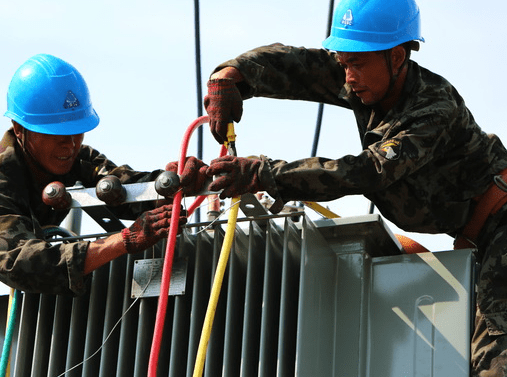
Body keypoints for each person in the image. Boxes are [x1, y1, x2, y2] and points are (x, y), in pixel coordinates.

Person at [193, 0, 507, 375]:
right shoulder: (364, 79)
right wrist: (231, 75)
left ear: (396, 57)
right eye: (343, 63)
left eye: (356, 64)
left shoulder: (433, 108)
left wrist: (265, 173)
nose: (348, 76)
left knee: (495, 358)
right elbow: (298, 65)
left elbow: (368, 171)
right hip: (477, 234)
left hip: (501, 225)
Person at [0, 53, 186, 376]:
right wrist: (122, 242)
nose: (70, 145)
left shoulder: (69, 157)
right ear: (20, 130)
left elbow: (119, 186)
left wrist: (172, 185)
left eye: (77, 132)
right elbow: (20, 262)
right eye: (57, 134)